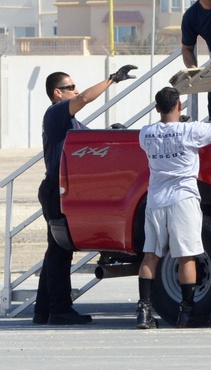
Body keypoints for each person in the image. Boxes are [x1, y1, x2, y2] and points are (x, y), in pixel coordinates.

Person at [35, 63, 138, 325]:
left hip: (59, 188)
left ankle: (44, 310)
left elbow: (88, 142)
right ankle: (59, 310)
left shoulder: (70, 121)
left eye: (74, 86)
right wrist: (112, 80)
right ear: (57, 93)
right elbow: (83, 99)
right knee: (60, 253)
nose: (75, 90)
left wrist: (113, 134)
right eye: (69, 87)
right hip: (55, 190)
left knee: (55, 252)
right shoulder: (56, 113)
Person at [135, 87, 211, 329]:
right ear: (179, 106)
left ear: (157, 108)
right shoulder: (190, 131)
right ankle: (187, 311)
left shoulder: (146, 133)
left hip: (156, 199)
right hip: (183, 198)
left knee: (151, 254)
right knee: (186, 256)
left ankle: (143, 311)